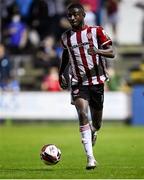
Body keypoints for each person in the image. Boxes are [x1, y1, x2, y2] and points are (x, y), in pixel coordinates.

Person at [59, 3, 115, 170]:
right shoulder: (66, 37)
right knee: (82, 114)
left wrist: (97, 51)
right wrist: (61, 73)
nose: (72, 18)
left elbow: (112, 52)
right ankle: (90, 158)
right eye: (69, 15)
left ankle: (94, 130)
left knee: (96, 123)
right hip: (78, 82)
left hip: (97, 82)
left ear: (83, 15)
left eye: (75, 14)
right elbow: (65, 54)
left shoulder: (96, 31)